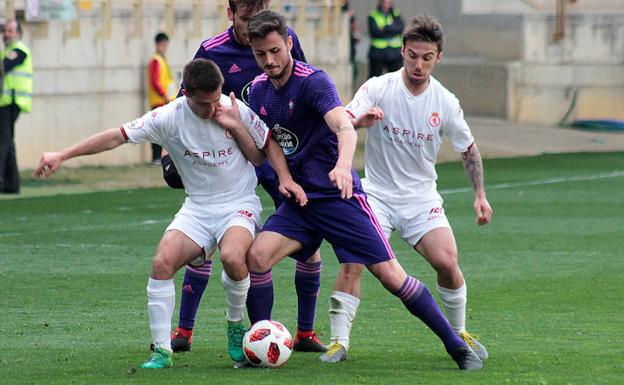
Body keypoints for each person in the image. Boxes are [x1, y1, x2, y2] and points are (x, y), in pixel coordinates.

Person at [243, 9, 483, 371]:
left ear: (289, 43)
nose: (270, 60)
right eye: (261, 54)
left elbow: (344, 127)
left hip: (340, 198)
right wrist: (284, 178)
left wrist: (342, 166)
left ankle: (457, 346)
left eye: (276, 51)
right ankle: (261, 344)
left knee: (391, 276)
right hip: (302, 201)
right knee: (256, 258)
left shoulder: (314, 82)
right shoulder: (258, 90)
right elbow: (269, 139)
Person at [34, 58, 306, 369]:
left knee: (233, 257)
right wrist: (63, 154)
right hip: (198, 206)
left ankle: (234, 325)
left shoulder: (235, 109)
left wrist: (235, 126)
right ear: (186, 94)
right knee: (162, 262)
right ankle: (162, 351)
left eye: (216, 98)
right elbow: (115, 136)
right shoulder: (168, 117)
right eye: (204, 103)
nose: (212, 108)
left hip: (238, 203)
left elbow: (261, 154)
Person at [321, 14, 493, 364]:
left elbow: (468, 149)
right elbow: (341, 122)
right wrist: (359, 120)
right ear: (402, 51)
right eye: (412, 55)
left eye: (426, 57)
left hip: (420, 198)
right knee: (352, 263)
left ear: (438, 57)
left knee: (447, 261)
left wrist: (480, 195)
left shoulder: (445, 102)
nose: (418, 64)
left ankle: (458, 332)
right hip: (377, 196)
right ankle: (339, 342)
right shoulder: (377, 87)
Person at [164, 0, 327, 355]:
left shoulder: (284, 40)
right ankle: (184, 330)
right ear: (230, 14)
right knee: (207, 240)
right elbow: (183, 101)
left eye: (258, 16)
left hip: (274, 151)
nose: (253, 25)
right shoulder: (211, 50)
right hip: (225, 162)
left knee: (307, 238)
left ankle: (305, 332)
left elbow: (303, 83)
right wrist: (167, 154)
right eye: (245, 18)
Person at [1, 19, 32, 194]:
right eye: (5, 31)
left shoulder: (18, 51)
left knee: (2, 141)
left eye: (10, 31)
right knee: (8, 142)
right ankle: (12, 185)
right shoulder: (7, 51)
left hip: (11, 102)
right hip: (6, 102)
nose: (6, 34)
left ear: (19, 34)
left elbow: (5, 66)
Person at [146, 32, 174, 165]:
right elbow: (155, 81)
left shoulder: (162, 60)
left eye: (166, 45)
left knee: (163, 130)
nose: (165, 47)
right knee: (157, 129)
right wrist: (164, 96)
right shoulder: (155, 60)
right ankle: (156, 157)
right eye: (163, 45)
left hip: (165, 100)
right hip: (159, 100)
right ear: (157, 45)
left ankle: (160, 157)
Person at [368, 0, 403, 77]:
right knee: (375, 78)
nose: (385, 5)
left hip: (394, 52)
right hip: (378, 51)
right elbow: (375, 32)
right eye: (384, 2)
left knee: (396, 78)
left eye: (388, 2)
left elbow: (400, 28)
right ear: (380, 2)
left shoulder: (395, 14)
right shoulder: (373, 15)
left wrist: (386, 28)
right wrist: (392, 31)